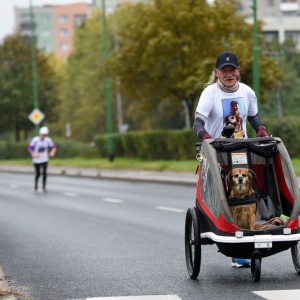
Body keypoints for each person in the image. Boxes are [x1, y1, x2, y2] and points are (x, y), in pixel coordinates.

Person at [193, 51, 268, 268]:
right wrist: (205, 136)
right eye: (224, 71)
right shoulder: (210, 93)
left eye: (232, 70)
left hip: (240, 150)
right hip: (216, 150)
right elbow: (198, 122)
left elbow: (252, 115)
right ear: (216, 73)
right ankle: (229, 235)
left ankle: (250, 231)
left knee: (244, 191)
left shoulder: (247, 92)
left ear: (238, 71)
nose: (229, 74)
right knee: (223, 192)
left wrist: (260, 128)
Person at [28, 126, 57, 193]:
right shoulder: (35, 140)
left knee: (44, 172)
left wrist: (52, 152)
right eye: (43, 135)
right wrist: (32, 154)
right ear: (41, 134)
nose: (44, 136)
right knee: (38, 173)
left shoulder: (48, 140)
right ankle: (36, 183)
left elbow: (53, 147)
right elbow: (30, 148)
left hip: (44, 159)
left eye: (45, 135)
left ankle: (44, 187)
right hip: (36, 159)